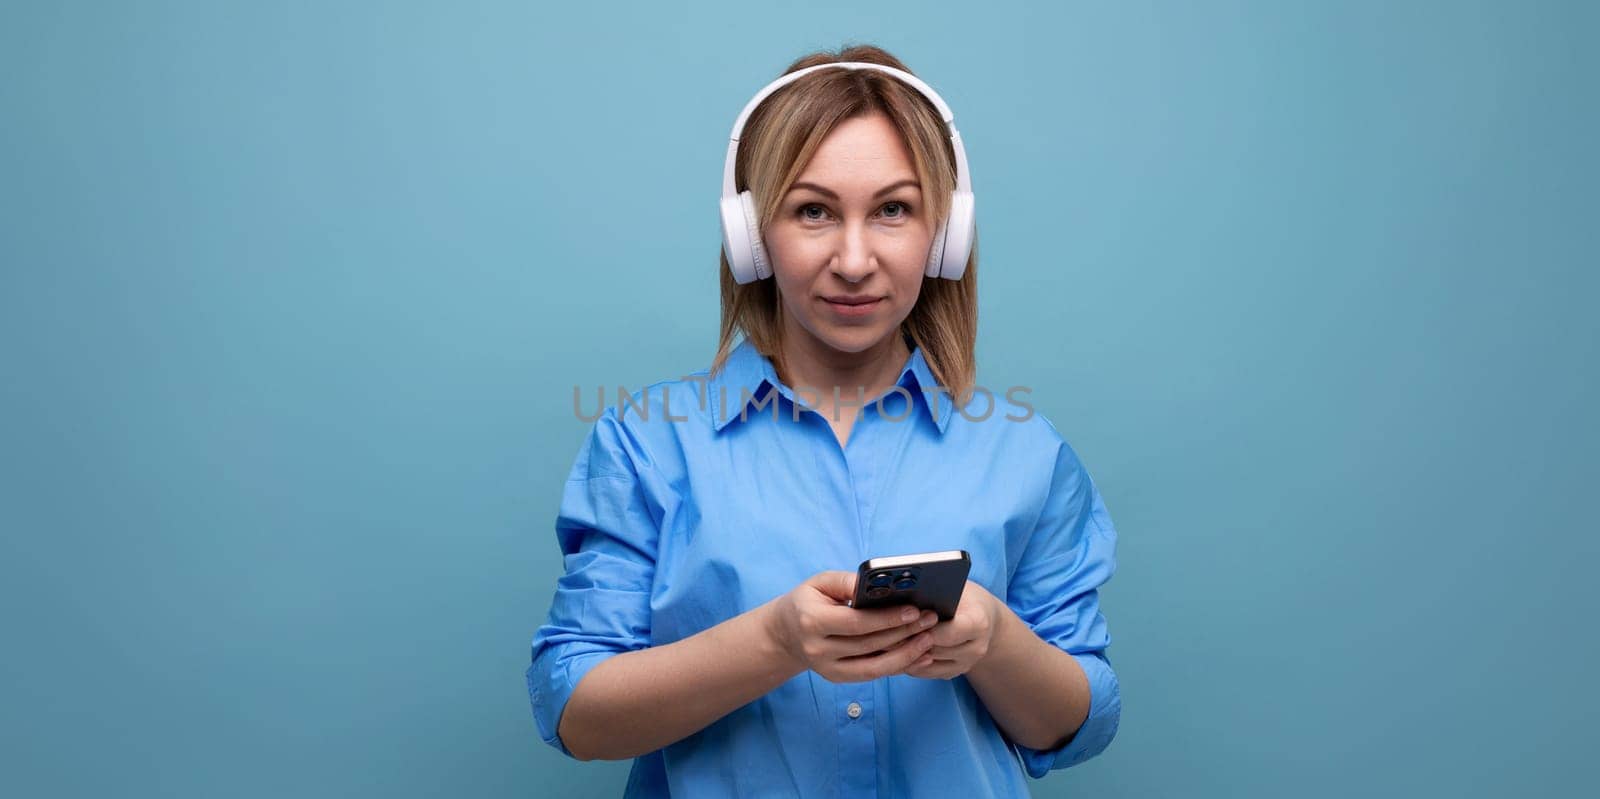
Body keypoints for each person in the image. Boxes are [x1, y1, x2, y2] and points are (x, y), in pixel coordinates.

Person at [527, 44, 1121, 797]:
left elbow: (1083, 723)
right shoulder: (646, 444)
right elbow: (570, 708)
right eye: (813, 210)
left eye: (893, 210)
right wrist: (775, 641)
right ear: (751, 237)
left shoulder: (1025, 454)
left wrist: (997, 641)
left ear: (945, 235)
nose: (853, 258)